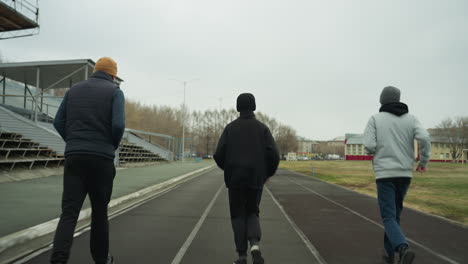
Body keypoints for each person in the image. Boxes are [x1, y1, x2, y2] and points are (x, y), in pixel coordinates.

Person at [51, 57, 125, 264]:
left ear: (95, 71)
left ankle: (58, 259)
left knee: (69, 212)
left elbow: (58, 121)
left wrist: (73, 141)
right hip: (101, 160)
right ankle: (101, 260)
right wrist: (110, 146)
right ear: (112, 75)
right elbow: (118, 125)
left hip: (75, 158)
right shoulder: (115, 92)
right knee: (99, 212)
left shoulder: (73, 90)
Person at [363, 86, 431, 264]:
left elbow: (369, 145)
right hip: (404, 175)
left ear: (382, 100)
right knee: (394, 216)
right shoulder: (412, 119)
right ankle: (389, 254)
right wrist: (423, 162)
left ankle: (403, 247)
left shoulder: (375, 119)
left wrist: (374, 150)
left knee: (388, 216)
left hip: (385, 174)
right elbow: (424, 138)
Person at [214, 93, 280, 264]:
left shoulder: (230, 128)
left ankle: (242, 256)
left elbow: (218, 154)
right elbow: (274, 155)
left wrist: (228, 169)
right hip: (255, 179)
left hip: (235, 179)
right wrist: (266, 174)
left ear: (238, 107)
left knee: (237, 215)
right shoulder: (262, 129)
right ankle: (255, 245)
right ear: (254, 106)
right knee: (252, 212)